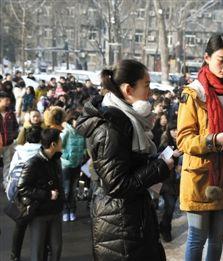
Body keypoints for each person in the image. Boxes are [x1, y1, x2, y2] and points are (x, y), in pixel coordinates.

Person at [76, 59, 175, 260]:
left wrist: (160, 160)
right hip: (118, 227)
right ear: (129, 90)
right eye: (146, 85)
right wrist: (160, 167)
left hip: (131, 220)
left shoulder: (127, 120)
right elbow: (117, 184)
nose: (149, 91)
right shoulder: (110, 127)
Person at [177, 34, 223, 261]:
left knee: (217, 241)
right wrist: (214, 140)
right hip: (199, 178)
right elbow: (184, 140)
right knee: (197, 239)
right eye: (221, 60)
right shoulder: (194, 93)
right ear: (207, 58)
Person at [17, 128, 64, 261]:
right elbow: (22, 187)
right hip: (39, 212)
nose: (62, 142)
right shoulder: (33, 163)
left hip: (55, 210)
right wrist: (47, 194)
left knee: (56, 248)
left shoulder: (56, 159)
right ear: (53, 144)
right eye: (60, 140)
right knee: (38, 251)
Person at [7, 126, 42, 261]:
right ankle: (42, 253)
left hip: (20, 195)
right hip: (36, 193)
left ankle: (14, 255)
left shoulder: (19, 151)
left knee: (20, 225)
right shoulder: (41, 152)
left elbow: (11, 172)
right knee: (40, 226)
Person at [60, 110, 86, 222]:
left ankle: (72, 210)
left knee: (74, 189)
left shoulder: (82, 132)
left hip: (77, 163)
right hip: (66, 164)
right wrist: (66, 156)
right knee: (66, 189)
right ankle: (65, 210)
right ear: (72, 120)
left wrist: (83, 155)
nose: (79, 122)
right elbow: (60, 146)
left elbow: (85, 146)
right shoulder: (66, 131)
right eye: (77, 120)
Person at [158, 121, 181, 242]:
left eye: (177, 129)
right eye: (173, 130)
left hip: (179, 180)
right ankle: (165, 228)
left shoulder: (184, 140)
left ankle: (164, 226)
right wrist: (173, 154)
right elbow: (160, 158)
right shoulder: (166, 144)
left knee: (172, 206)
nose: (175, 132)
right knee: (170, 206)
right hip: (167, 181)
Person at [0, 91, 19, 188]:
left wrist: (14, 135)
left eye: (9, 100)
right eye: (6, 100)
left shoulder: (10, 113)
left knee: (7, 164)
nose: (8, 102)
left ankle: (6, 183)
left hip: (9, 143)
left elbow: (16, 126)